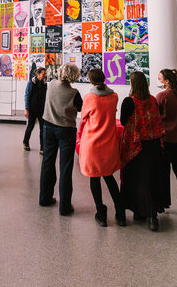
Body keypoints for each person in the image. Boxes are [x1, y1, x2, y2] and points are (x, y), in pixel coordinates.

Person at [78, 69, 125, 227]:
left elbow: (84, 116)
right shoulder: (114, 96)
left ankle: (101, 213)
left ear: (91, 80)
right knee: (109, 177)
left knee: (94, 177)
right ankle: (120, 213)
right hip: (109, 142)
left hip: (93, 143)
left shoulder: (90, 97)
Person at [120, 71, 165, 231]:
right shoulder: (152, 99)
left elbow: (124, 121)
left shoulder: (129, 101)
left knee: (135, 179)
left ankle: (139, 210)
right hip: (152, 145)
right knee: (150, 178)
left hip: (135, 146)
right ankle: (152, 215)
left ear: (132, 84)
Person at [39, 64, 82, 216]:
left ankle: (44, 198)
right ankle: (64, 207)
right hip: (66, 130)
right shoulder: (74, 93)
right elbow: (81, 108)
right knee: (65, 168)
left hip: (48, 127)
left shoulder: (51, 85)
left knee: (47, 163)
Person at [156, 68, 177, 215]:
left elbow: (156, 117)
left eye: (160, 79)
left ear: (167, 81)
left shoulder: (162, 96)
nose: (159, 81)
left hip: (165, 140)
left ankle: (163, 204)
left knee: (162, 173)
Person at [23, 67, 47, 153]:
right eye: (43, 74)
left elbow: (46, 97)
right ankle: (25, 142)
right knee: (30, 127)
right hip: (32, 109)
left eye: (45, 74)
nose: (45, 75)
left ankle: (42, 147)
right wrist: (26, 109)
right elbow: (27, 96)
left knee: (42, 129)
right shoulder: (31, 82)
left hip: (42, 110)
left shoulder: (45, 83)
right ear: (38, 74)